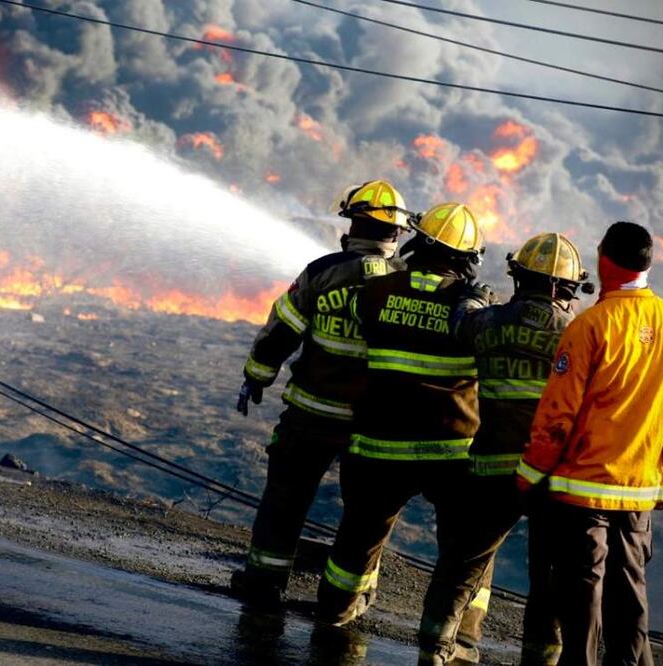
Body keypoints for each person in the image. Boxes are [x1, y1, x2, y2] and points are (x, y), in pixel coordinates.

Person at [516, 221, 663, 666]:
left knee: (582, 595)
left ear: (603, 260)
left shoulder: (590, 326)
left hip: (583, 492)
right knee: (630, 590)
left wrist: (529, 475)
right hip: (639, 491)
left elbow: (557, 417)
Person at [231, 180, 411, 606]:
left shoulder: (323, 271)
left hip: (310, 414)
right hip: (371, 424)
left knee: (285, 500)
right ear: (398, 233)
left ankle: (263, 584)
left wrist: (257, 377)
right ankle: (345, 602)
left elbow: (282, 329)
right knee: (365, 518)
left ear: (353, 225)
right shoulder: (406, 285)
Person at [315, 202, 485, 644]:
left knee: (359, 535)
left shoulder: (376, 292)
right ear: (468, 259)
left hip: (379, 442)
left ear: (418, 243)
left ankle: (334, 612)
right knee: (468, 547)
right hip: (451, 451)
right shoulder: (472, 311)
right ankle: (460, 636)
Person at [422, 233, 593, 665]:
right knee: (549, 579)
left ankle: (434, 649)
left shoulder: (489, 323)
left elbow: (460, 323)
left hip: (491, 468)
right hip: (553, 478)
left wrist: (474, 298)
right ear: (565, 287)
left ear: (519, 277)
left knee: (462, 564)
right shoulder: (579, 335)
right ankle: (542, 658)